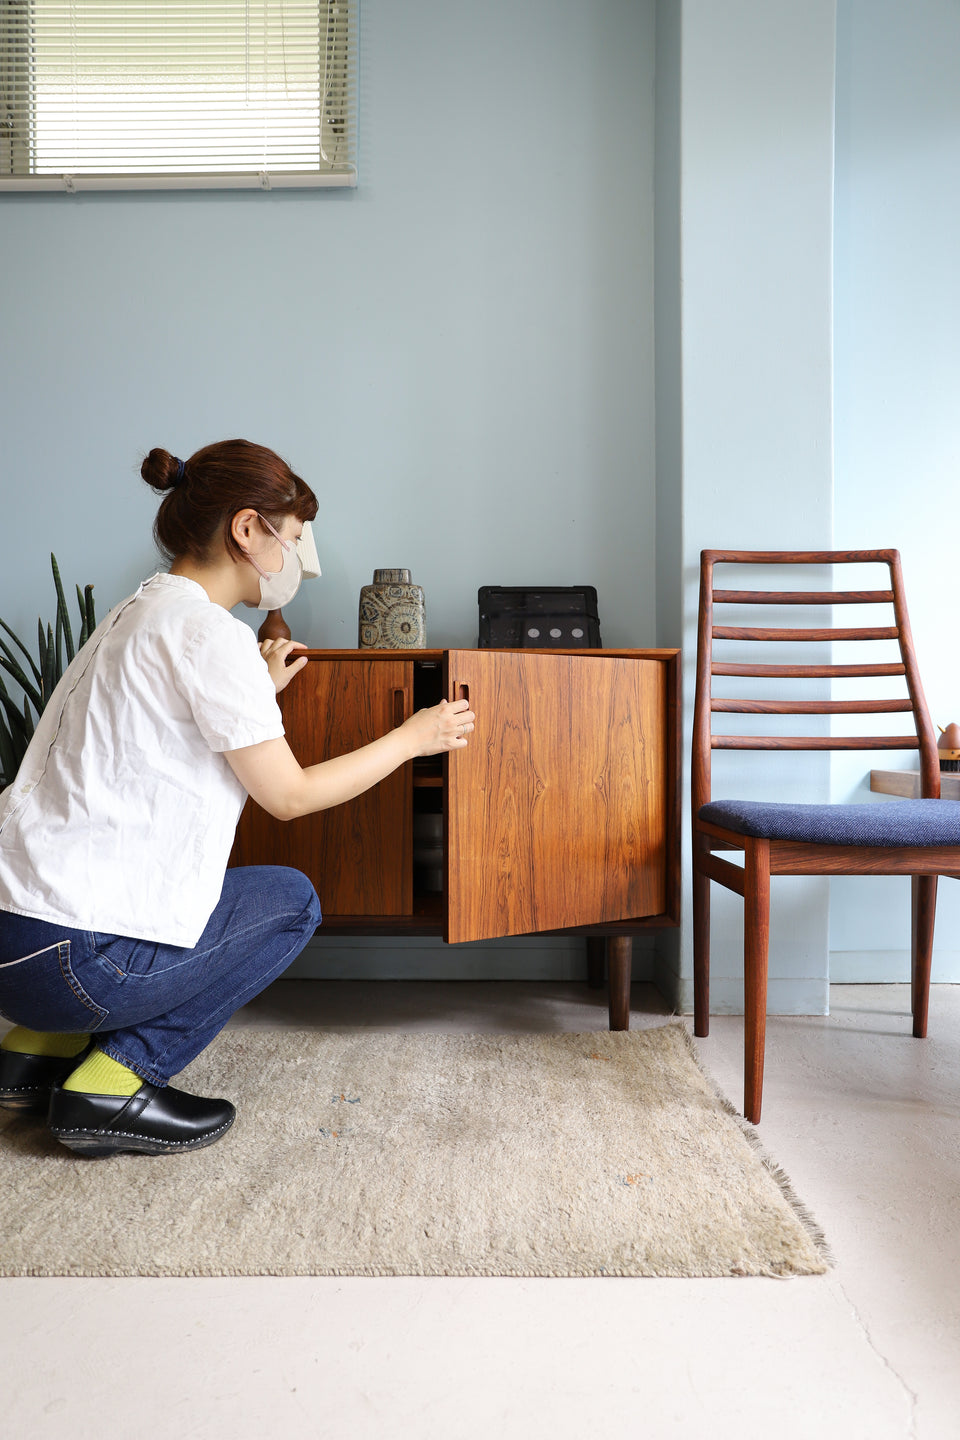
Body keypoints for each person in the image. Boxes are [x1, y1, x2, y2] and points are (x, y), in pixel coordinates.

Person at [0, 439, 474, 1157]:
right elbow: (290, 796)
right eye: (289, 539)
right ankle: (112, 1085)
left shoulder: (137, 613)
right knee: (291, 901)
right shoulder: (207, 634)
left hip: (16, 946)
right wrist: (413, 736)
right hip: (76, 962)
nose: (291, 561)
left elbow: (164, 727)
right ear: (248, 530)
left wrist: (259, 690)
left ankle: (30, 1055)